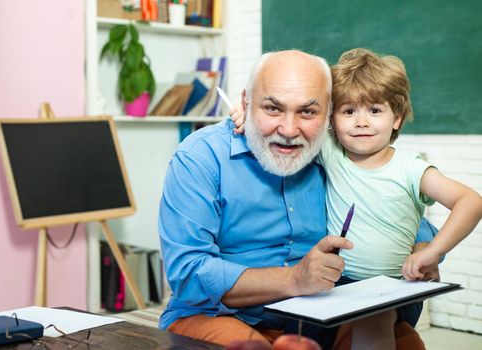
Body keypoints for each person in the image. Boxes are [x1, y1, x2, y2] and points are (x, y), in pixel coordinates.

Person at [158, 50, 437, 350]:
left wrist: (423, 247)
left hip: (320, 317)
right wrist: (293, 279)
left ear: (328, 114)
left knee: (404, 343)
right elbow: (188, 273)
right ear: (245, 103)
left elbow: (394, 206)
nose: (289, 130)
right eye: (273, 108)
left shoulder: (335, 155)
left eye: (307, 112)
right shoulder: (201, 157)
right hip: (220, 315)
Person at [229, 48, 482, 349]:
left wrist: (432, 251)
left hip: (393, 287)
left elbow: (470, 201)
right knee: (303, 328)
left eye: (375, 111)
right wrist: (246, 112)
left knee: (370, 323)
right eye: (349, 112)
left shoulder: (411, 168)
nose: (361, 122)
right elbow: (291, 125)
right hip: (336, 284)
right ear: (331, 120)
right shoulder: (330, 153)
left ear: (397, 118)